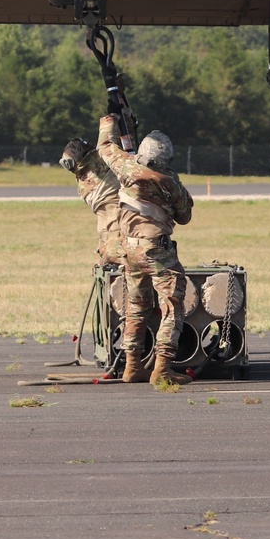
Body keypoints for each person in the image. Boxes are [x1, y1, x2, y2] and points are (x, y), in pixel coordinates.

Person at [96, 114, 194, 389]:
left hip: (128, 249)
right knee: (172, 306)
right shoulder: (170, 181)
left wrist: (108, 122)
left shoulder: (125, 167)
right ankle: (162, 368)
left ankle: (132, 366)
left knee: (136, 306)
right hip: (157, 252)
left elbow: (105, 147)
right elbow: (185, 216)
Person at [59, 137, 125, 266]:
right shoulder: (102, 167)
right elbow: (111, 141)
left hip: (109, 233)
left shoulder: (85, 181)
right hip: (121, 230)